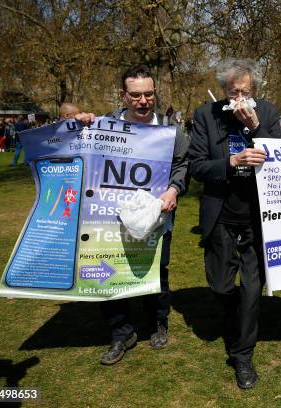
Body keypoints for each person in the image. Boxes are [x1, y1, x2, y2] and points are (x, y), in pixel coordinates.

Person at [77, 64, 189, 365]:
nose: (143, 101)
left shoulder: (170, 129)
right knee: (108, 269)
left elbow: (183, 164)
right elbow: (77, 148)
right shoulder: (104, 125)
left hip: (157, 216)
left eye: (149, 95)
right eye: (136, 95)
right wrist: (81, 123)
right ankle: (120, 333)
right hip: (109, 216)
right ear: (123, 96)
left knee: (155, 270)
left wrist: (174, 190)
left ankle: (157, 322)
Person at [188, 58, 281, 389]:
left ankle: (243, 356)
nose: (239, 100)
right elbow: (197, 166)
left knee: (252, 290)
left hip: (258, 216)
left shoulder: (268, 113)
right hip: (221, 216)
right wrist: (230, 162)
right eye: (233, 93)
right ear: (223, 91)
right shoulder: (205, 116)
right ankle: (232, 320)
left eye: (245, 92)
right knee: (220, 286)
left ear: (254, 91)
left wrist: (256, 129)